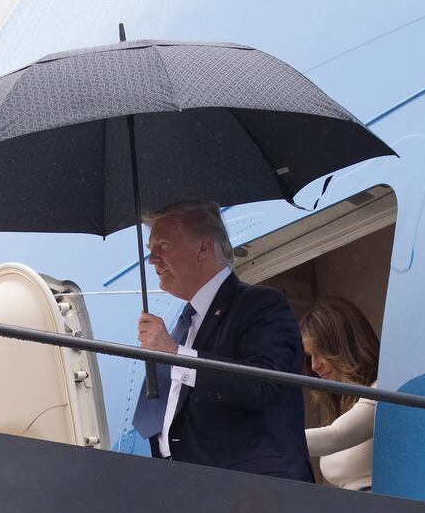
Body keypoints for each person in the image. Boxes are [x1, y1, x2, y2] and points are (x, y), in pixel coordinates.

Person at [131, 200, 313, 482]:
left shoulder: (261, 304)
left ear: (203, 248)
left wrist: (173, 353)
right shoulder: (183, 326)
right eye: (150, 250)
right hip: (190, 489)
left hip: (255, 491)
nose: (152, 259)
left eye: (163, 246)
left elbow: (261, 384)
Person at [299, 296, 380, 491]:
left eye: (320, 352)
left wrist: (266, 440)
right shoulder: (344, 406)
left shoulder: (382, 389)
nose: (314, 365)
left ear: (342, 346)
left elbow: (334, 437)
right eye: (309, 356)